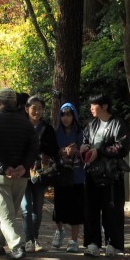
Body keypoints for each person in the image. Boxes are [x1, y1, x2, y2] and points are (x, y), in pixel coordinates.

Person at [0, 87, 37, 260]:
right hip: (21, 175)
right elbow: (34, 146)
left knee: (7, 213)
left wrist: (3, 166)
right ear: (16, 103)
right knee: (10, 213)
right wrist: (24, 166)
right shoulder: (25, 122)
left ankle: (15, 245)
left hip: (0, 174)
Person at [80, 93, 130, 257]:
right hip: (92, 173)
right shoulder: (90, 125)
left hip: (111, 174)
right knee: (91, 209)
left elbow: (123, 147)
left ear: (104, 106)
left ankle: (114, 244)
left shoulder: (117, 124)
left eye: (93, 105)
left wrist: (100, 150)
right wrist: (84, 147)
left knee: (113, 209)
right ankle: (93, 243)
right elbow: (86, 140)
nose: (91, 108)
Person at [22, 95, 59, 252]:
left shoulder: (47, 128)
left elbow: (54, 149)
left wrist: (40, 145)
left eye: (39, 108)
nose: (36, 111)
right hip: (23, 171)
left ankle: (34, 238)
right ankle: (28, 240)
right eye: (33, 108)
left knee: (38, 207)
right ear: (26, 109)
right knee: (25, 208)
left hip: (41, 172)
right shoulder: (21, 126)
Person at [51, 102, 85, 252]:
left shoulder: (80, 132)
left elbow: (86, 151)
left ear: (74, 116)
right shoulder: (56, 132)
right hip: (60, 174)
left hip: (77, 175)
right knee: (59, 207)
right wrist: (61, 151)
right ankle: (59, 230)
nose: (66, 118)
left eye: (69, 115)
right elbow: (52, 150)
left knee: (76, 209)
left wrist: (76, 151)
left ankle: (74, 240)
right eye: (63, 115)